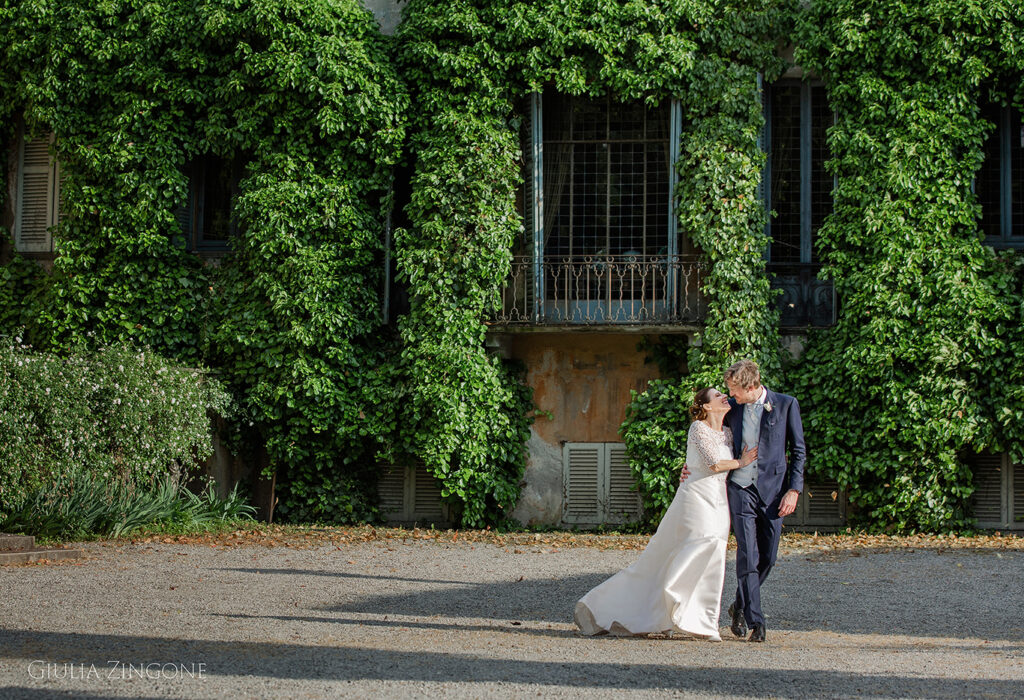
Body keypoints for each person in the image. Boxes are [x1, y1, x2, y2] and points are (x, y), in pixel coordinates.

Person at [573, 387, 757, 641]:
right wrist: (742, 462)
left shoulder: (727, 433)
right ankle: (673, 607)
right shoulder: (698, 428)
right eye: (717, 395)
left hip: (719, 501)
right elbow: (713, 463)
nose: (724, 396)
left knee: (714, 555)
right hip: (696, 499)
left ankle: (701, 621)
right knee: (693, 548)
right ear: (705, 406)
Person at [719, 359, 805, 643]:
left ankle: (739, 604)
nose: (732, 395)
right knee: (748, 555)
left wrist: (793, 490)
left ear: (753, 386)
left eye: (735, 390)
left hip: (773, 493)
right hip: (740, 488)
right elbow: (706, 433)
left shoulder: (786, 404)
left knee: (768, 556)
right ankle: (755, 619)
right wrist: (693, 468)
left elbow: (798, 450)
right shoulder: (732, 408)